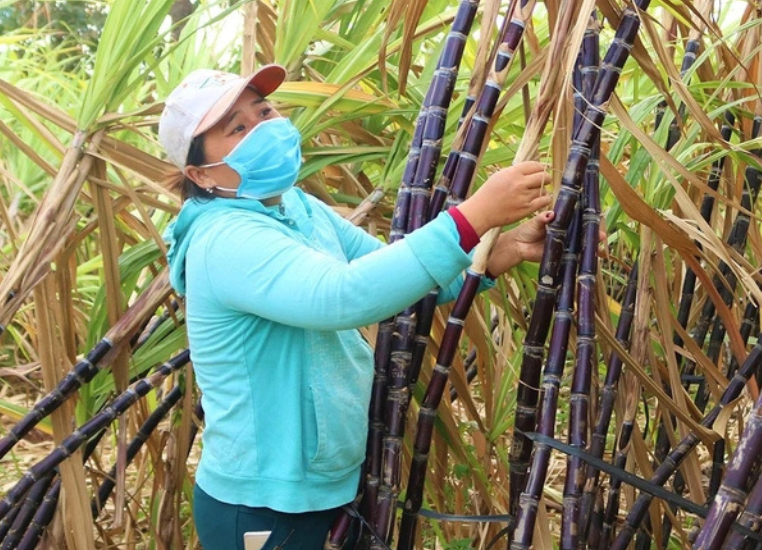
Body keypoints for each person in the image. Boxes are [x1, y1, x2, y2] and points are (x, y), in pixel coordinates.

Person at [159, 65, 551, 550]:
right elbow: (343, 296)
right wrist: (475, 215)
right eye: (237, 129)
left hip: (320, 486)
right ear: (200, 174)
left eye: (264, 112)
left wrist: (506, 248)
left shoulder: (297, 207)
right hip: (261, 503)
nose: (263, 129)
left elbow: (398, 279)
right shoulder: (225, 240)